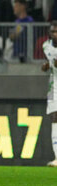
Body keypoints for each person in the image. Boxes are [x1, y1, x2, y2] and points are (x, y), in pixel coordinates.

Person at [41, 21, 57, 166]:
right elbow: (49, 62)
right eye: (53, 31)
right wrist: (46, 66)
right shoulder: (46, 46)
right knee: (54, 117)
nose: (55, 34)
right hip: (54, 86)